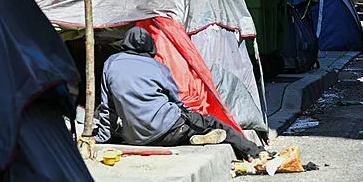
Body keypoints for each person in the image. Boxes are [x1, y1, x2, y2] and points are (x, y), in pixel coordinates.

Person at [91, 27, 262, 161]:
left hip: (134, 138)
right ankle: (256, 153)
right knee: (213, 122)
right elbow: (176, 101)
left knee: (125, 122)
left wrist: (102, 137)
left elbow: (107, 107)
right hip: (169, 132)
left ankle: (193, 136)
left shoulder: (111, 63)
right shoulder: (158, 67)